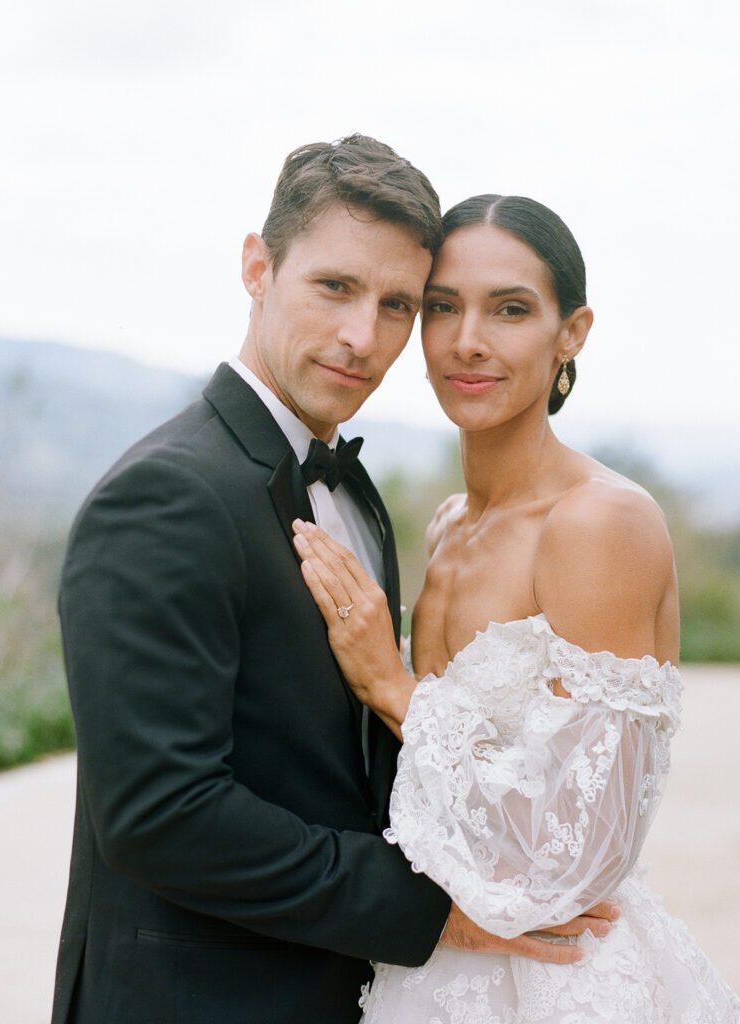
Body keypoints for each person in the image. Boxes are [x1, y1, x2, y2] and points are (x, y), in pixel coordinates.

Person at [51, 143, 612, 1024]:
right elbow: (161, 814)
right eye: (334, 288)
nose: (364, 337)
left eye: (397, 305)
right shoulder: (165, 496)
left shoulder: (357, 494)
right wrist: (434, 911)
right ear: (257, 268)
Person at [293, 193, 740, 1022]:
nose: (468, 341)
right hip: (434, 962)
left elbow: (584, 852)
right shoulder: (449, 524)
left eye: (510, 309)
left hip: (555, 982)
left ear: (571, 332)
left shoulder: (600, 522)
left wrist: (393, 687)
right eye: (442, 307)